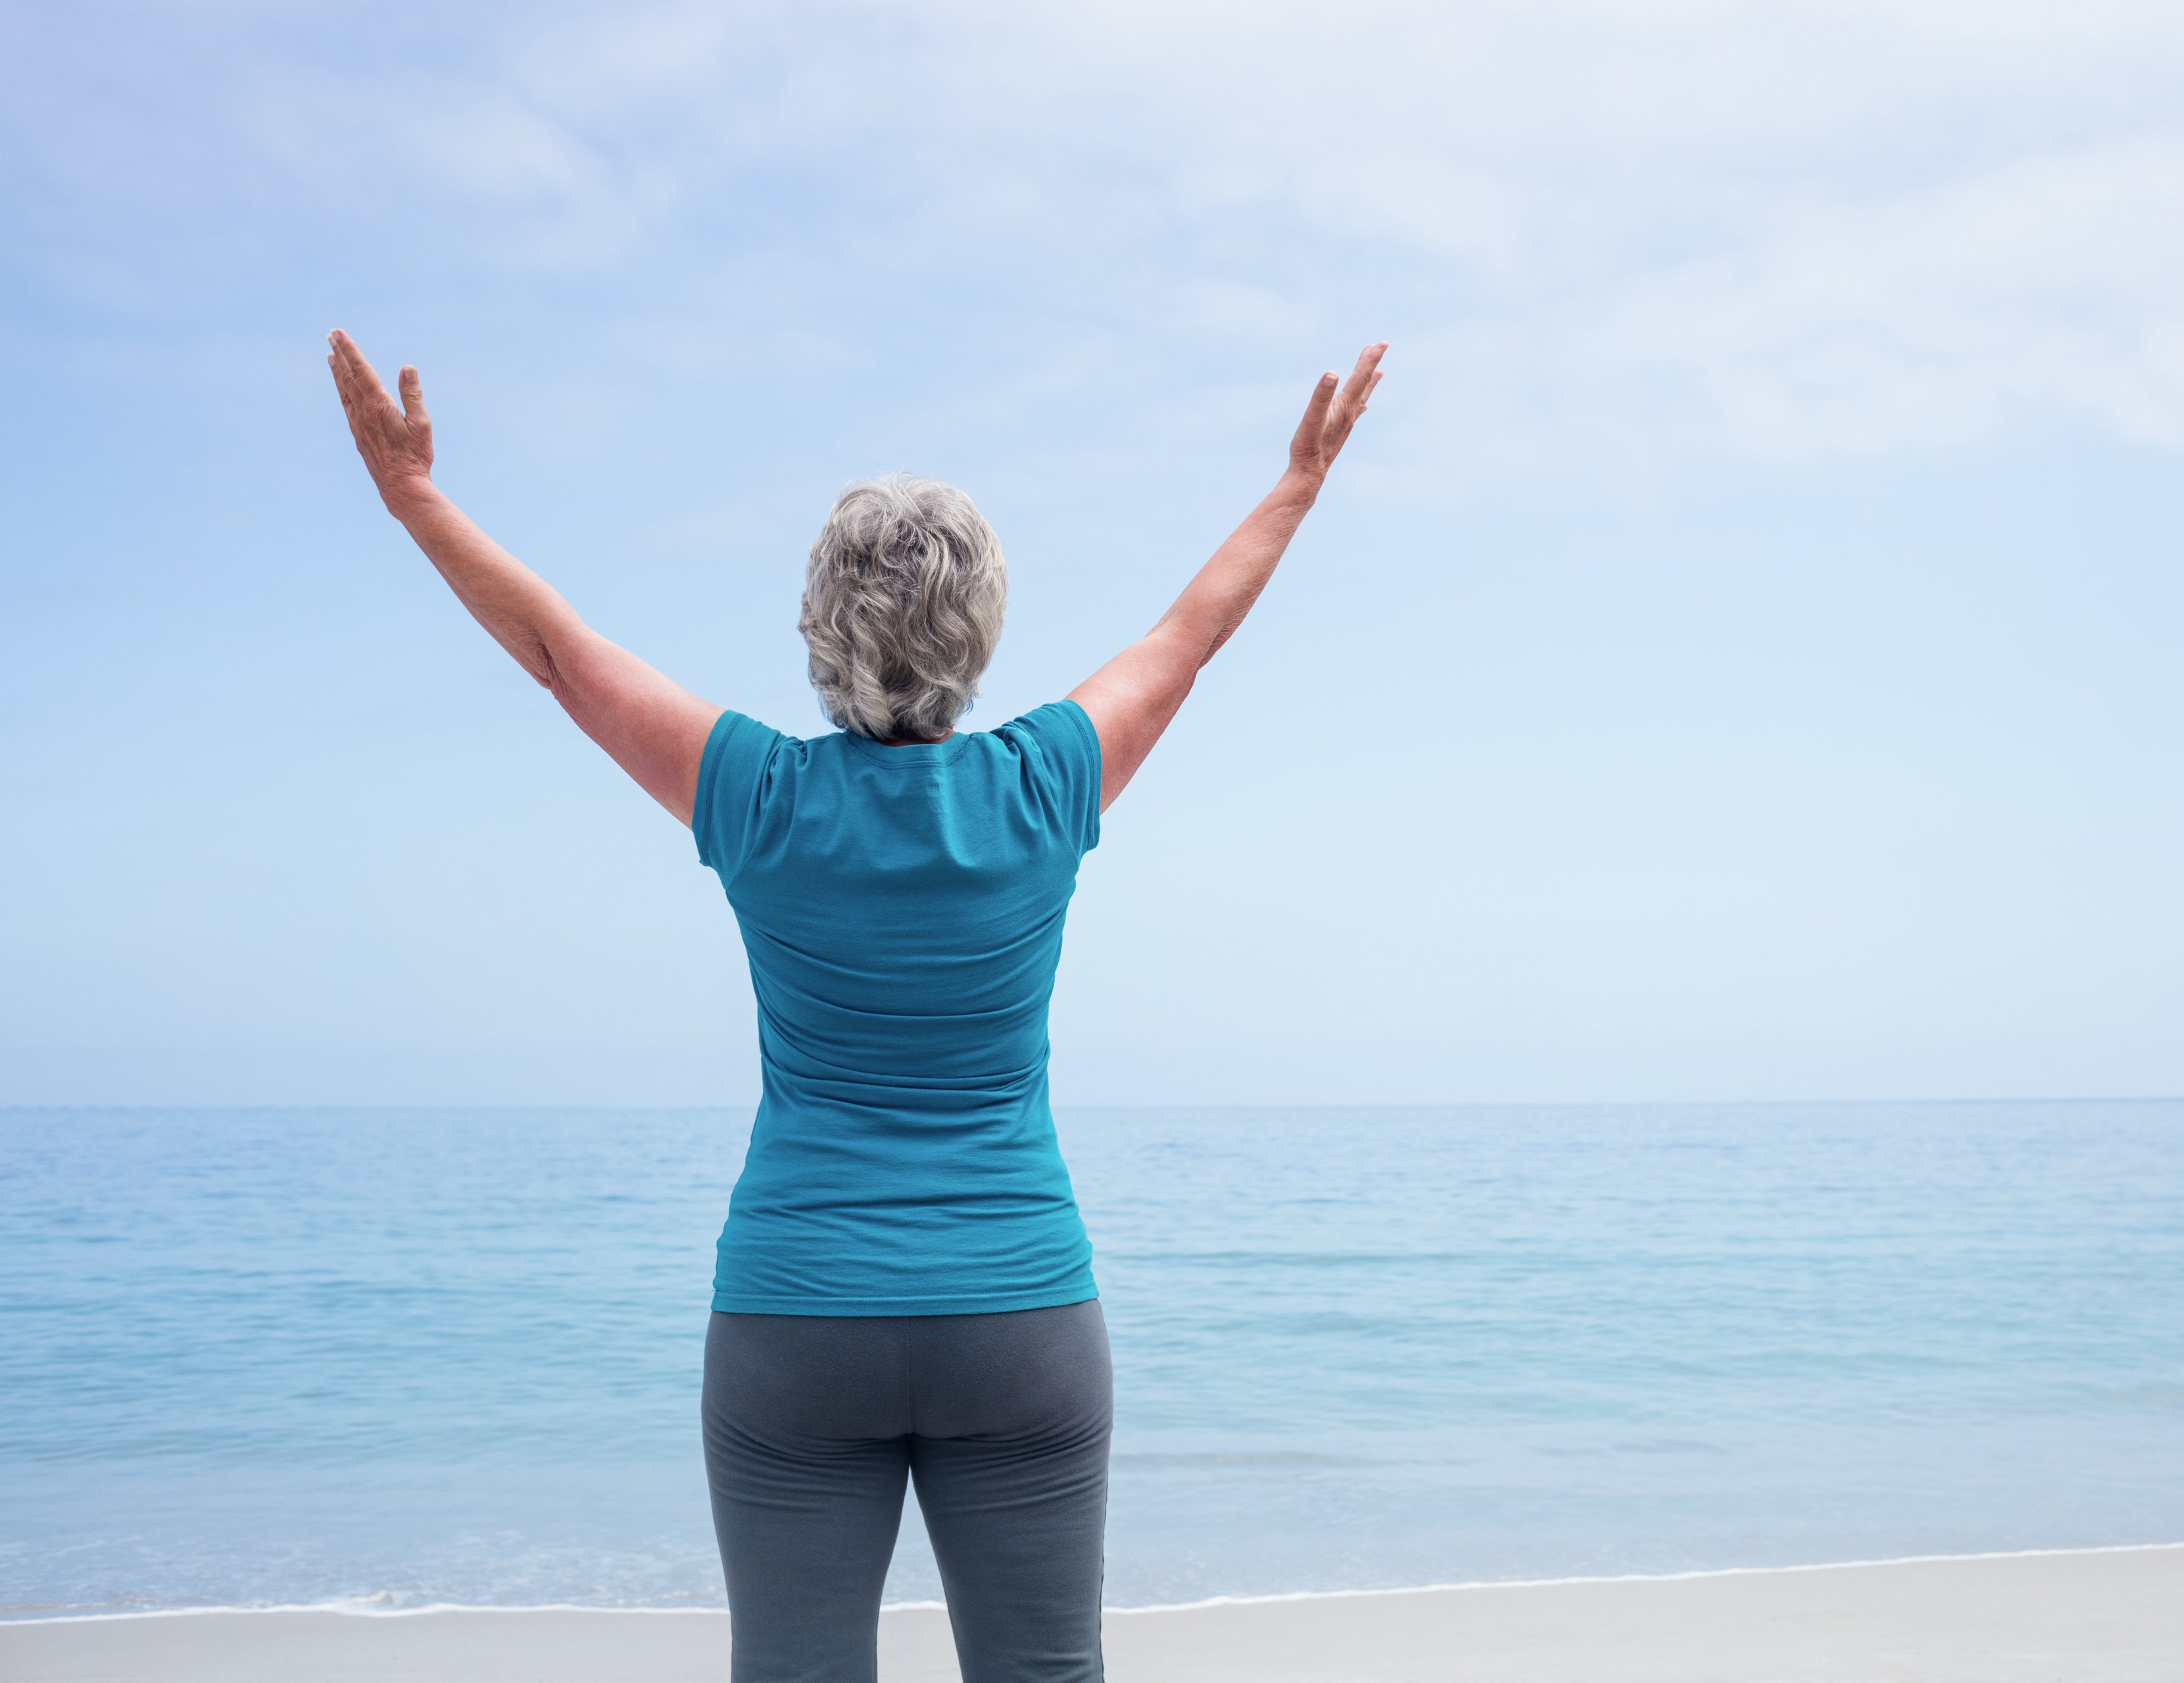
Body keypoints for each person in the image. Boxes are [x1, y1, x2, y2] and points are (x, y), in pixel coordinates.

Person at [324, 329, 1387, 1683]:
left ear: (822, 628)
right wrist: (1295, 484)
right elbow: (1190, 635)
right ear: (983, 626)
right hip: (1020, 1315)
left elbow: (561, 653)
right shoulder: (1046, 783)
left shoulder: (758, 793)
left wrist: (414, 496)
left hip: (795, 1319)